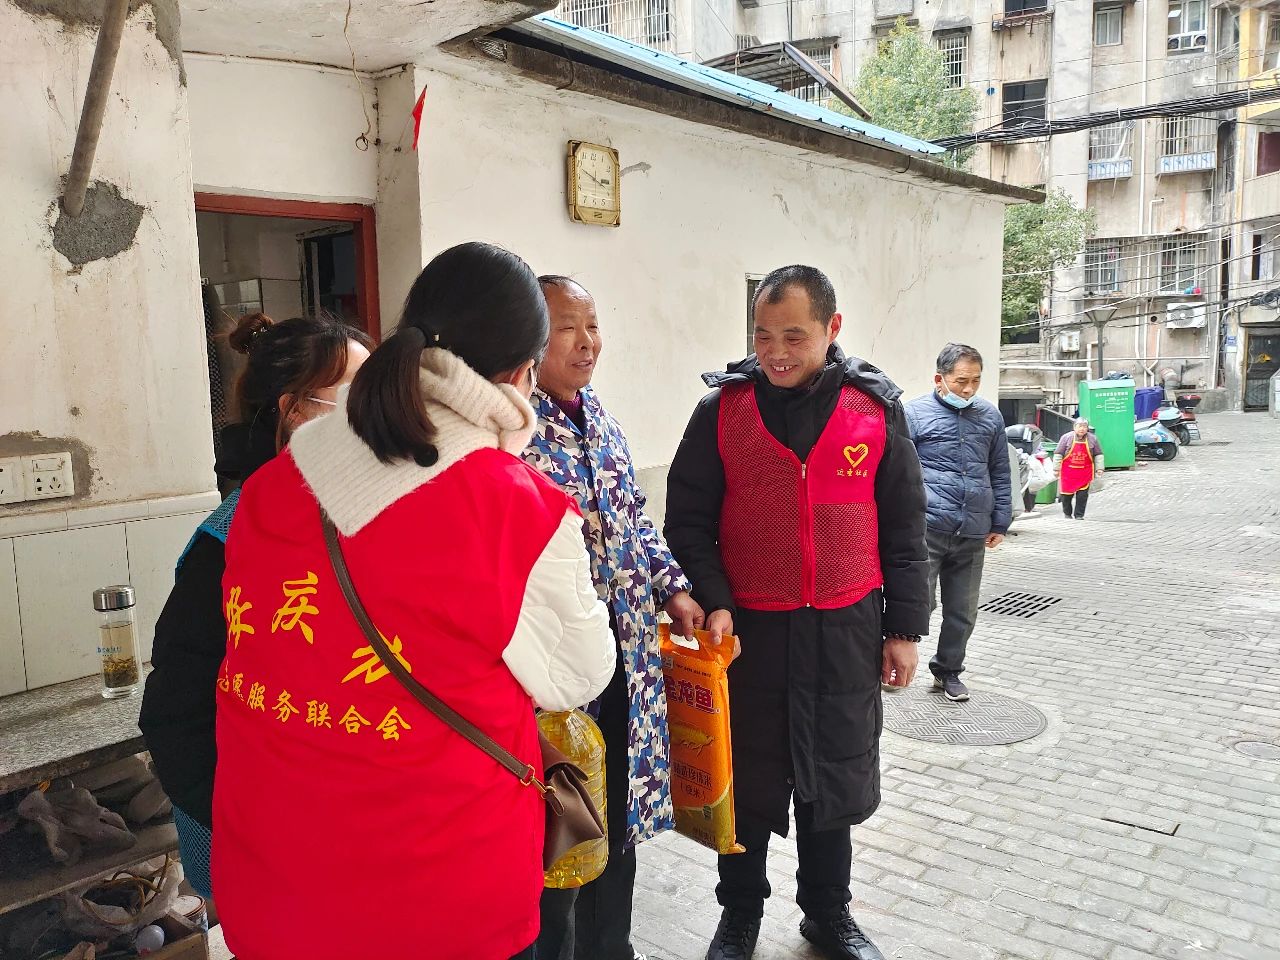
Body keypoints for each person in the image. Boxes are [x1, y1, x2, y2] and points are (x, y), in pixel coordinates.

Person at [211, 242, 616, 960]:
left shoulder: (269, 487)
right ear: (521, 372)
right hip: (439, 894)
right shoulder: (513, 506)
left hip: (273, 887)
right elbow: (577, 675)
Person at [665, 265, 930, 960]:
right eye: (763, 335)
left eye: (794, 336)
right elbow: (687, 522)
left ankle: (828, 913)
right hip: (750, 631)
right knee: (747, 779)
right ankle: (739, 914)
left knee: (831, 778)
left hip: (845, 626)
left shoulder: (873, 410)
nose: (775, 352)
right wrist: (717, 599)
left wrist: (903, 629)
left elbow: (905, 528)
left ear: (831, 328)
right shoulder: (722, 411)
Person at [139, 311, 372, 898]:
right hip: (267, 846)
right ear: (296, 411)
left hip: (357, 839)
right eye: (355, 398)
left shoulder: (369, 521)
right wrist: (250, 824)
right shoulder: (229, 541)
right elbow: (175, 714)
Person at [525, 276, 704, 960]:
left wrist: (672, 587)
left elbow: (633, 519)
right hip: (562, 674)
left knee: (620, 817)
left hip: (627, 657)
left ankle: (614, 948)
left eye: (593, 325)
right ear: (529, 341)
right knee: (566, 828)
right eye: (567, 327)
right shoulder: (517, 432)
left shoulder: (598, 416)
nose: (587, 342)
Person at [904, 343, 1012, 703]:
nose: (968, 389)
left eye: (975, 381)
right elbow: (898, 472)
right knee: (919, 603)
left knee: (963, 611)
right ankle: (894, 664)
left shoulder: (990, 416)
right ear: (940, 379)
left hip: (973, 531)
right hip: (927, 528)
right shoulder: (913, 414)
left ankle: (948, 671)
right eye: (961, 381)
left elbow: (1000, 470)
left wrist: (1000, 520)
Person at [1054, 417, 1104, 519]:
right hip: (1068, 473)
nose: (1082, 429)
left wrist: (1099, 468)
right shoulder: (1066, 438)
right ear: (1074, 427)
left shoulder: (1093, 439)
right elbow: (1058, 454)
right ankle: (1067, 513)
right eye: (1080, 426)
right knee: (1066, 495)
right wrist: (1056, 469)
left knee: (1082, 495)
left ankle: (1079, 515)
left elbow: (1098, 454)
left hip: (1084, 473)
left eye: (1084, 426)